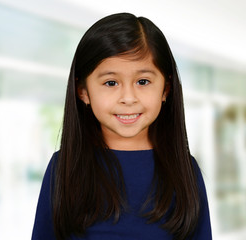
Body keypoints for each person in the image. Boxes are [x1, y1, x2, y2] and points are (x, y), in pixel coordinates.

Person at [32, 12, 212, 240]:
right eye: (111, 83)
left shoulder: (186, 171)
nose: (128, 98)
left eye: (143, 82)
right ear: (83, 91)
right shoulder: (65, 167)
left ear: (165, 89)